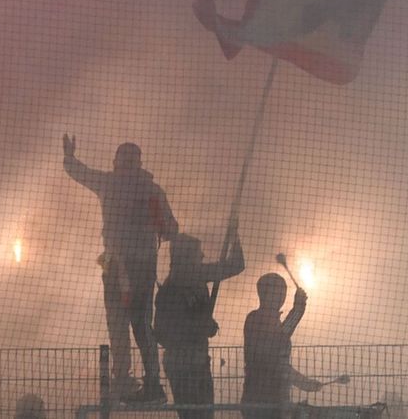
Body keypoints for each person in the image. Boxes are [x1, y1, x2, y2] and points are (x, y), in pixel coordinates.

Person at [63, 134, 178, 403]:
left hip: (117, 266)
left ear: (117, 162)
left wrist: (69, 157)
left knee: (119, 323)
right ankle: (151, 383)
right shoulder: (152, 190)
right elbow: (172, 229)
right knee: (140, 325)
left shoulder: (110, 183)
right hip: (141, 266)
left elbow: (80, 173)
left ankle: (125, 381)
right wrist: (157, 225)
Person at [155, 227, 245, 419]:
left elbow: (236, 265)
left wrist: (233, 234)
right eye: (198, 253)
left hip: (198, 361)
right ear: (185, 257)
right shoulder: (170, 290)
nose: (203, 256)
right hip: (183, 365)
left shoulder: (196, 278)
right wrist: (198, 327)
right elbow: (163, 334)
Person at [241, 274, 329, 419]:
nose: (282, 296)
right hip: (261, 400)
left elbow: (280, 361)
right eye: (278, 291)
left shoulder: (269, 322)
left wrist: (304, 382)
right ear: (264, 294)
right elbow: (277, 344)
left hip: (275, 398)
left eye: (283, 291)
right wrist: (297, 311)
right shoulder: (255, 319)